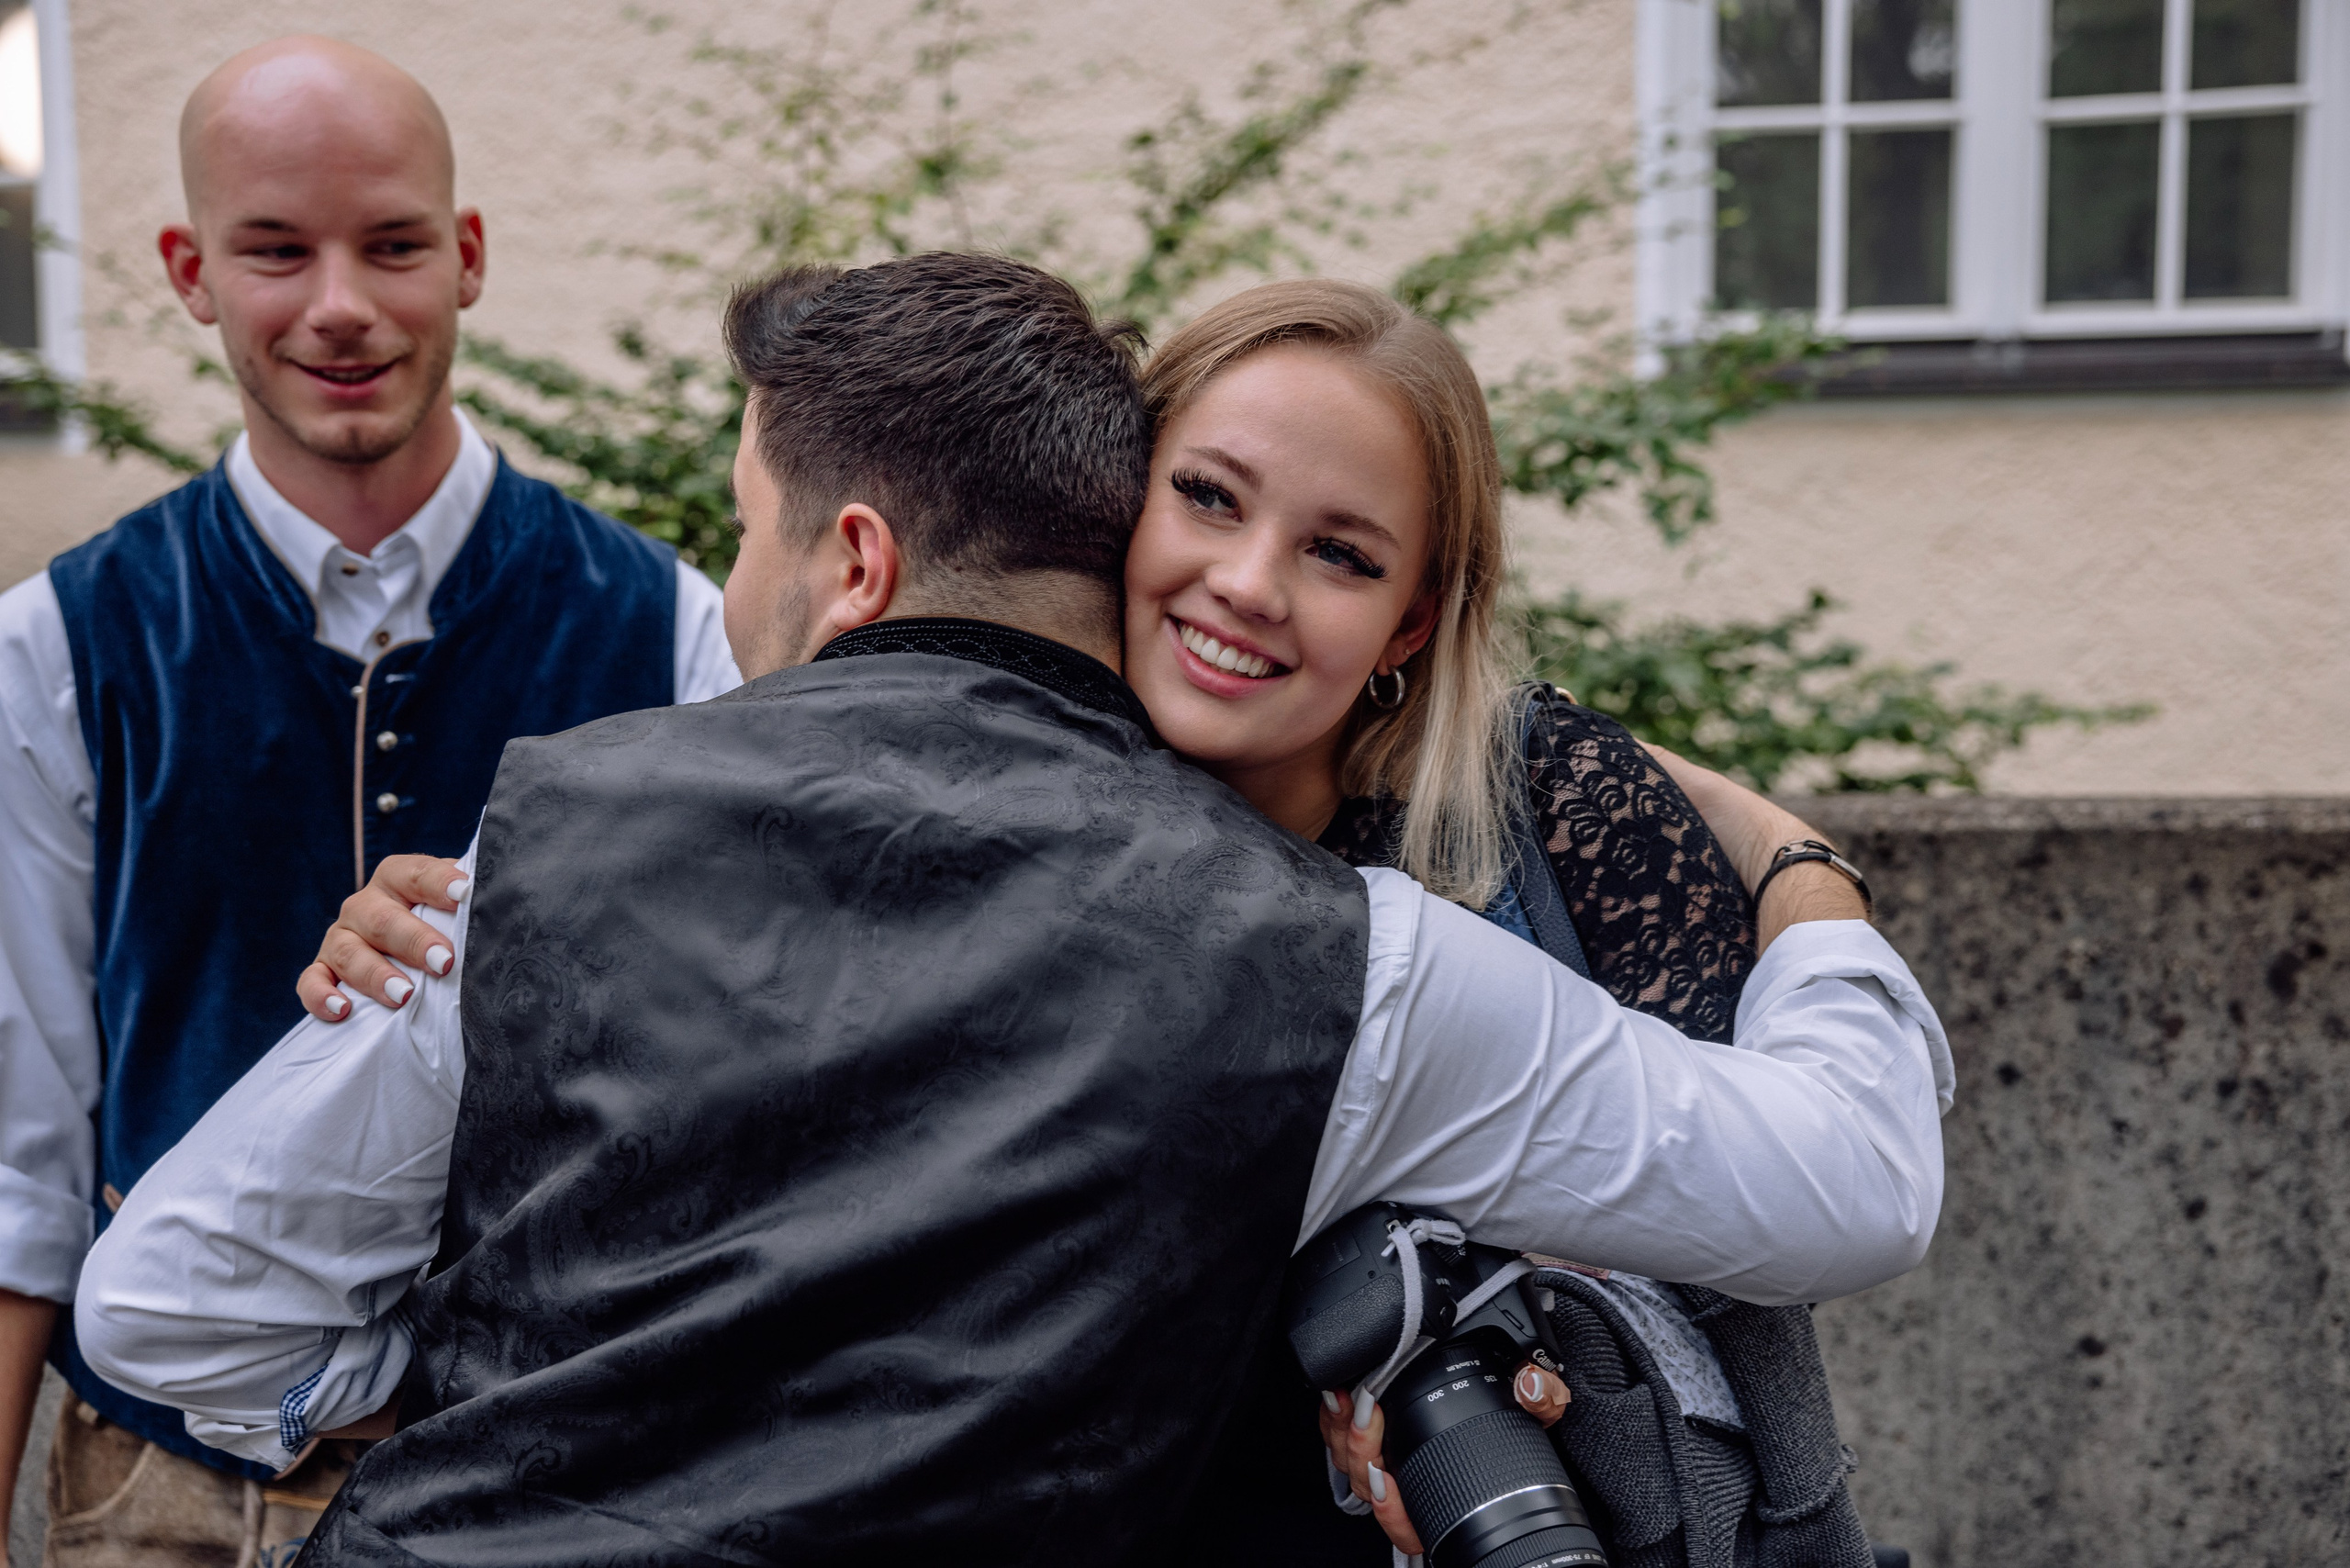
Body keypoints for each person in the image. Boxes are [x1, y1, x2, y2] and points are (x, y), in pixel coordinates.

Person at [73, 252, 1947, 1568]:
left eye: (1335, 550)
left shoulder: (547, 844)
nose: (1244, 582)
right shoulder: (1361, 971)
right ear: (1114, 510)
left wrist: (503, 1398)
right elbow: (1848, 1177)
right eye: (1204, 497)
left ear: (855, 558)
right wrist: (1810, 884)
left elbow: (173, 1311)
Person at [0, 36, 739, 1564]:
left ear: (467, 257)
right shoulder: (56, 647)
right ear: (191, 273)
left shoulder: (673, 631)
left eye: (392, 245)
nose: (340, 304)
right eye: (276, 250)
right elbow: (19, 1165)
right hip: (147, 1491)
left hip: (534, 1485)